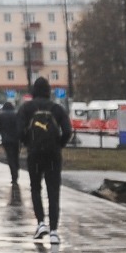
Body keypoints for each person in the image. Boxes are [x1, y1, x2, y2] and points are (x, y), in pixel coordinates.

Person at [20, 77, 73, 243]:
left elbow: (19, 131)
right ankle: (54, 231)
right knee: (53, 191)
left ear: (33, 91)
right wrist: (59, 144)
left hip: (34, 154)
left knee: (35, 188)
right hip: (53, 155)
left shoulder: (27, 108)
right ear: (48, 91)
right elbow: (67, 131)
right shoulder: (57, 109)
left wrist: (29, 143)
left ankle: (41, 223)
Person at [0, 97, 23, 185]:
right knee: (16, 155)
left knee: (10, 157)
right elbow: (21, 126)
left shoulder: (0, 116)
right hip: (16, 140)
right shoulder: (17, 115)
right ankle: (16, 169)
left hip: (6, 139)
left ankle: (14, 174)